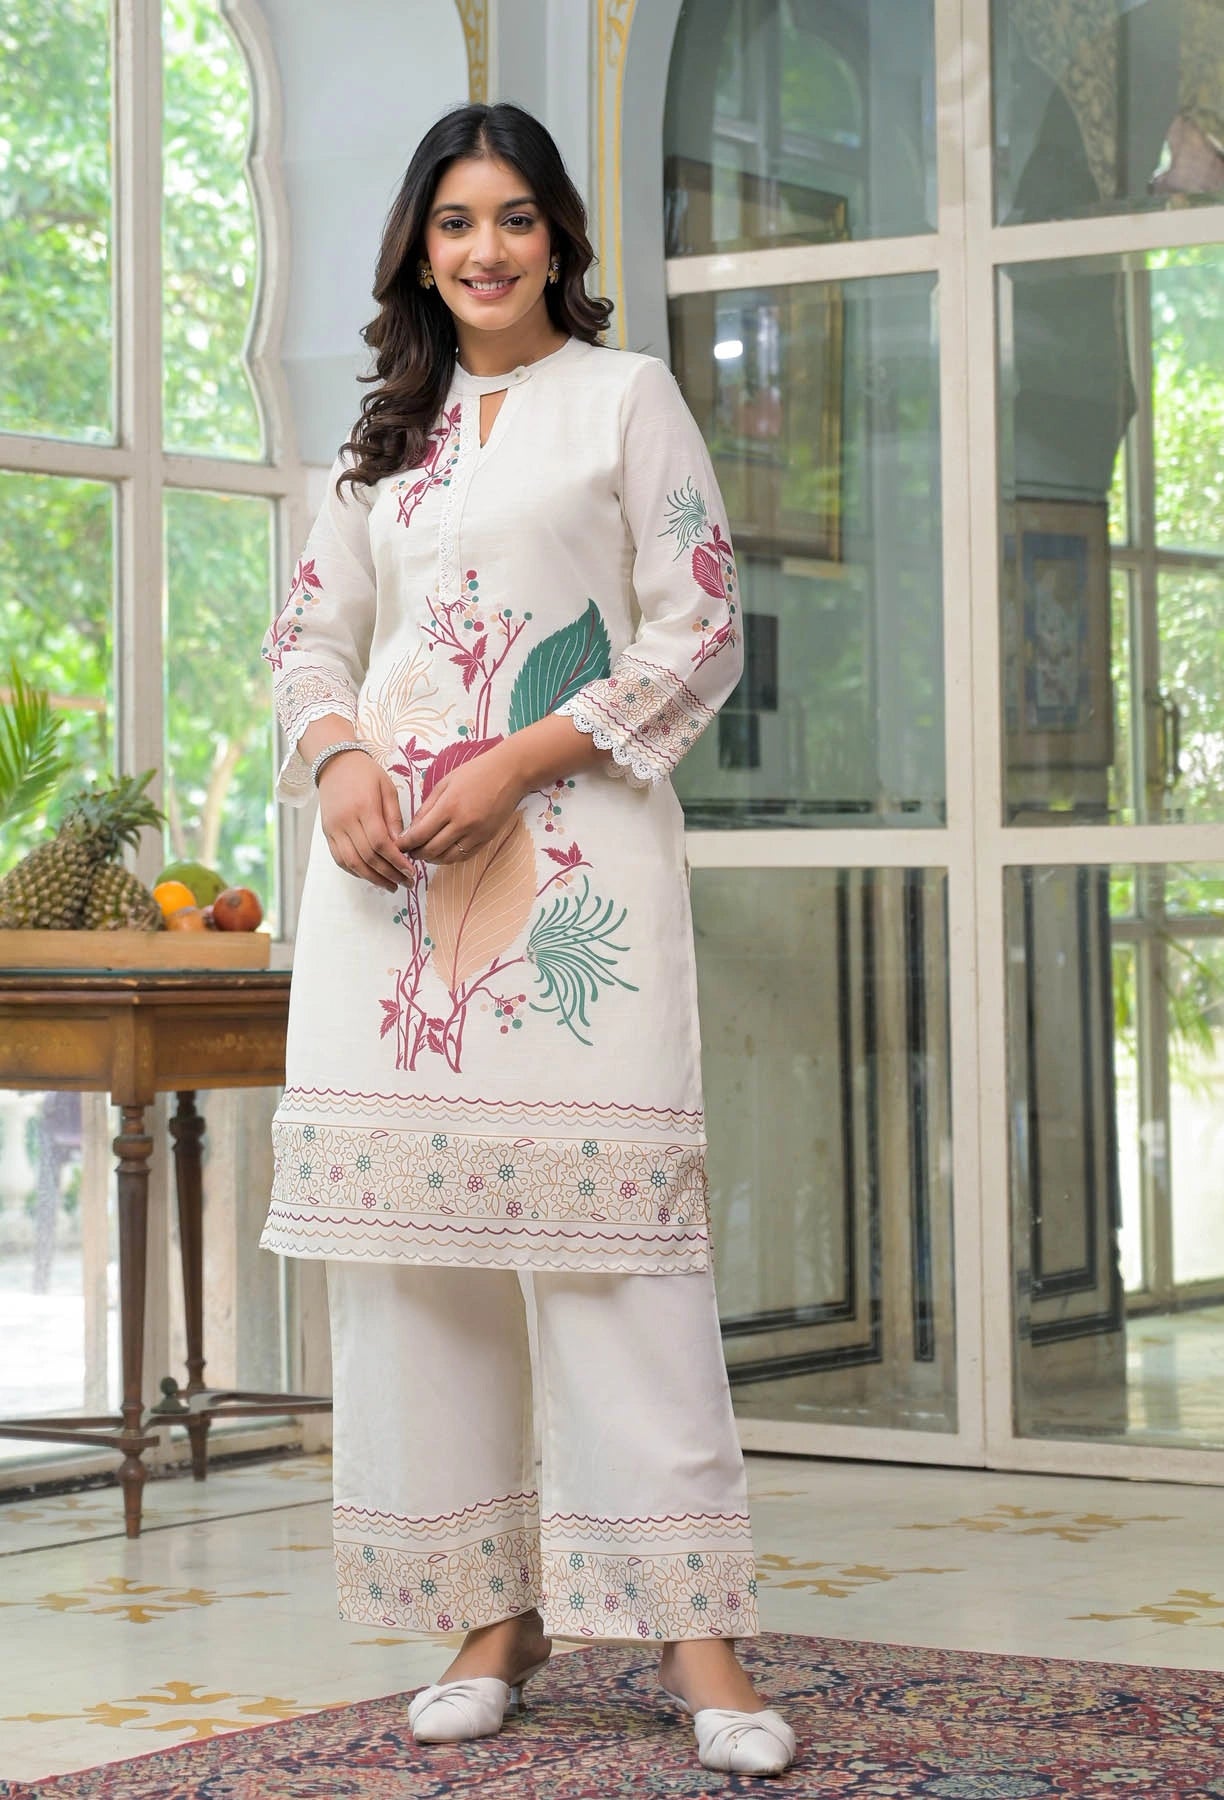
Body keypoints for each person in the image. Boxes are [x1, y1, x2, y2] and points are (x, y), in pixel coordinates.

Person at [258, 100, 795, 1778]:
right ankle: (489, 1616)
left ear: (561, 236)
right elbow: (307, 639)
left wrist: (514, 762)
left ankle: (700, 1644)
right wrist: (342, 760)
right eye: (452, 224)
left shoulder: (625, 401)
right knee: (419, 1276)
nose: (484, 251)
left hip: (576, 880)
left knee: (618, 1268)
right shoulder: (382, 445)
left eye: (513, 220)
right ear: (419, 249)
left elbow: (693, 622)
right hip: (392, 905)